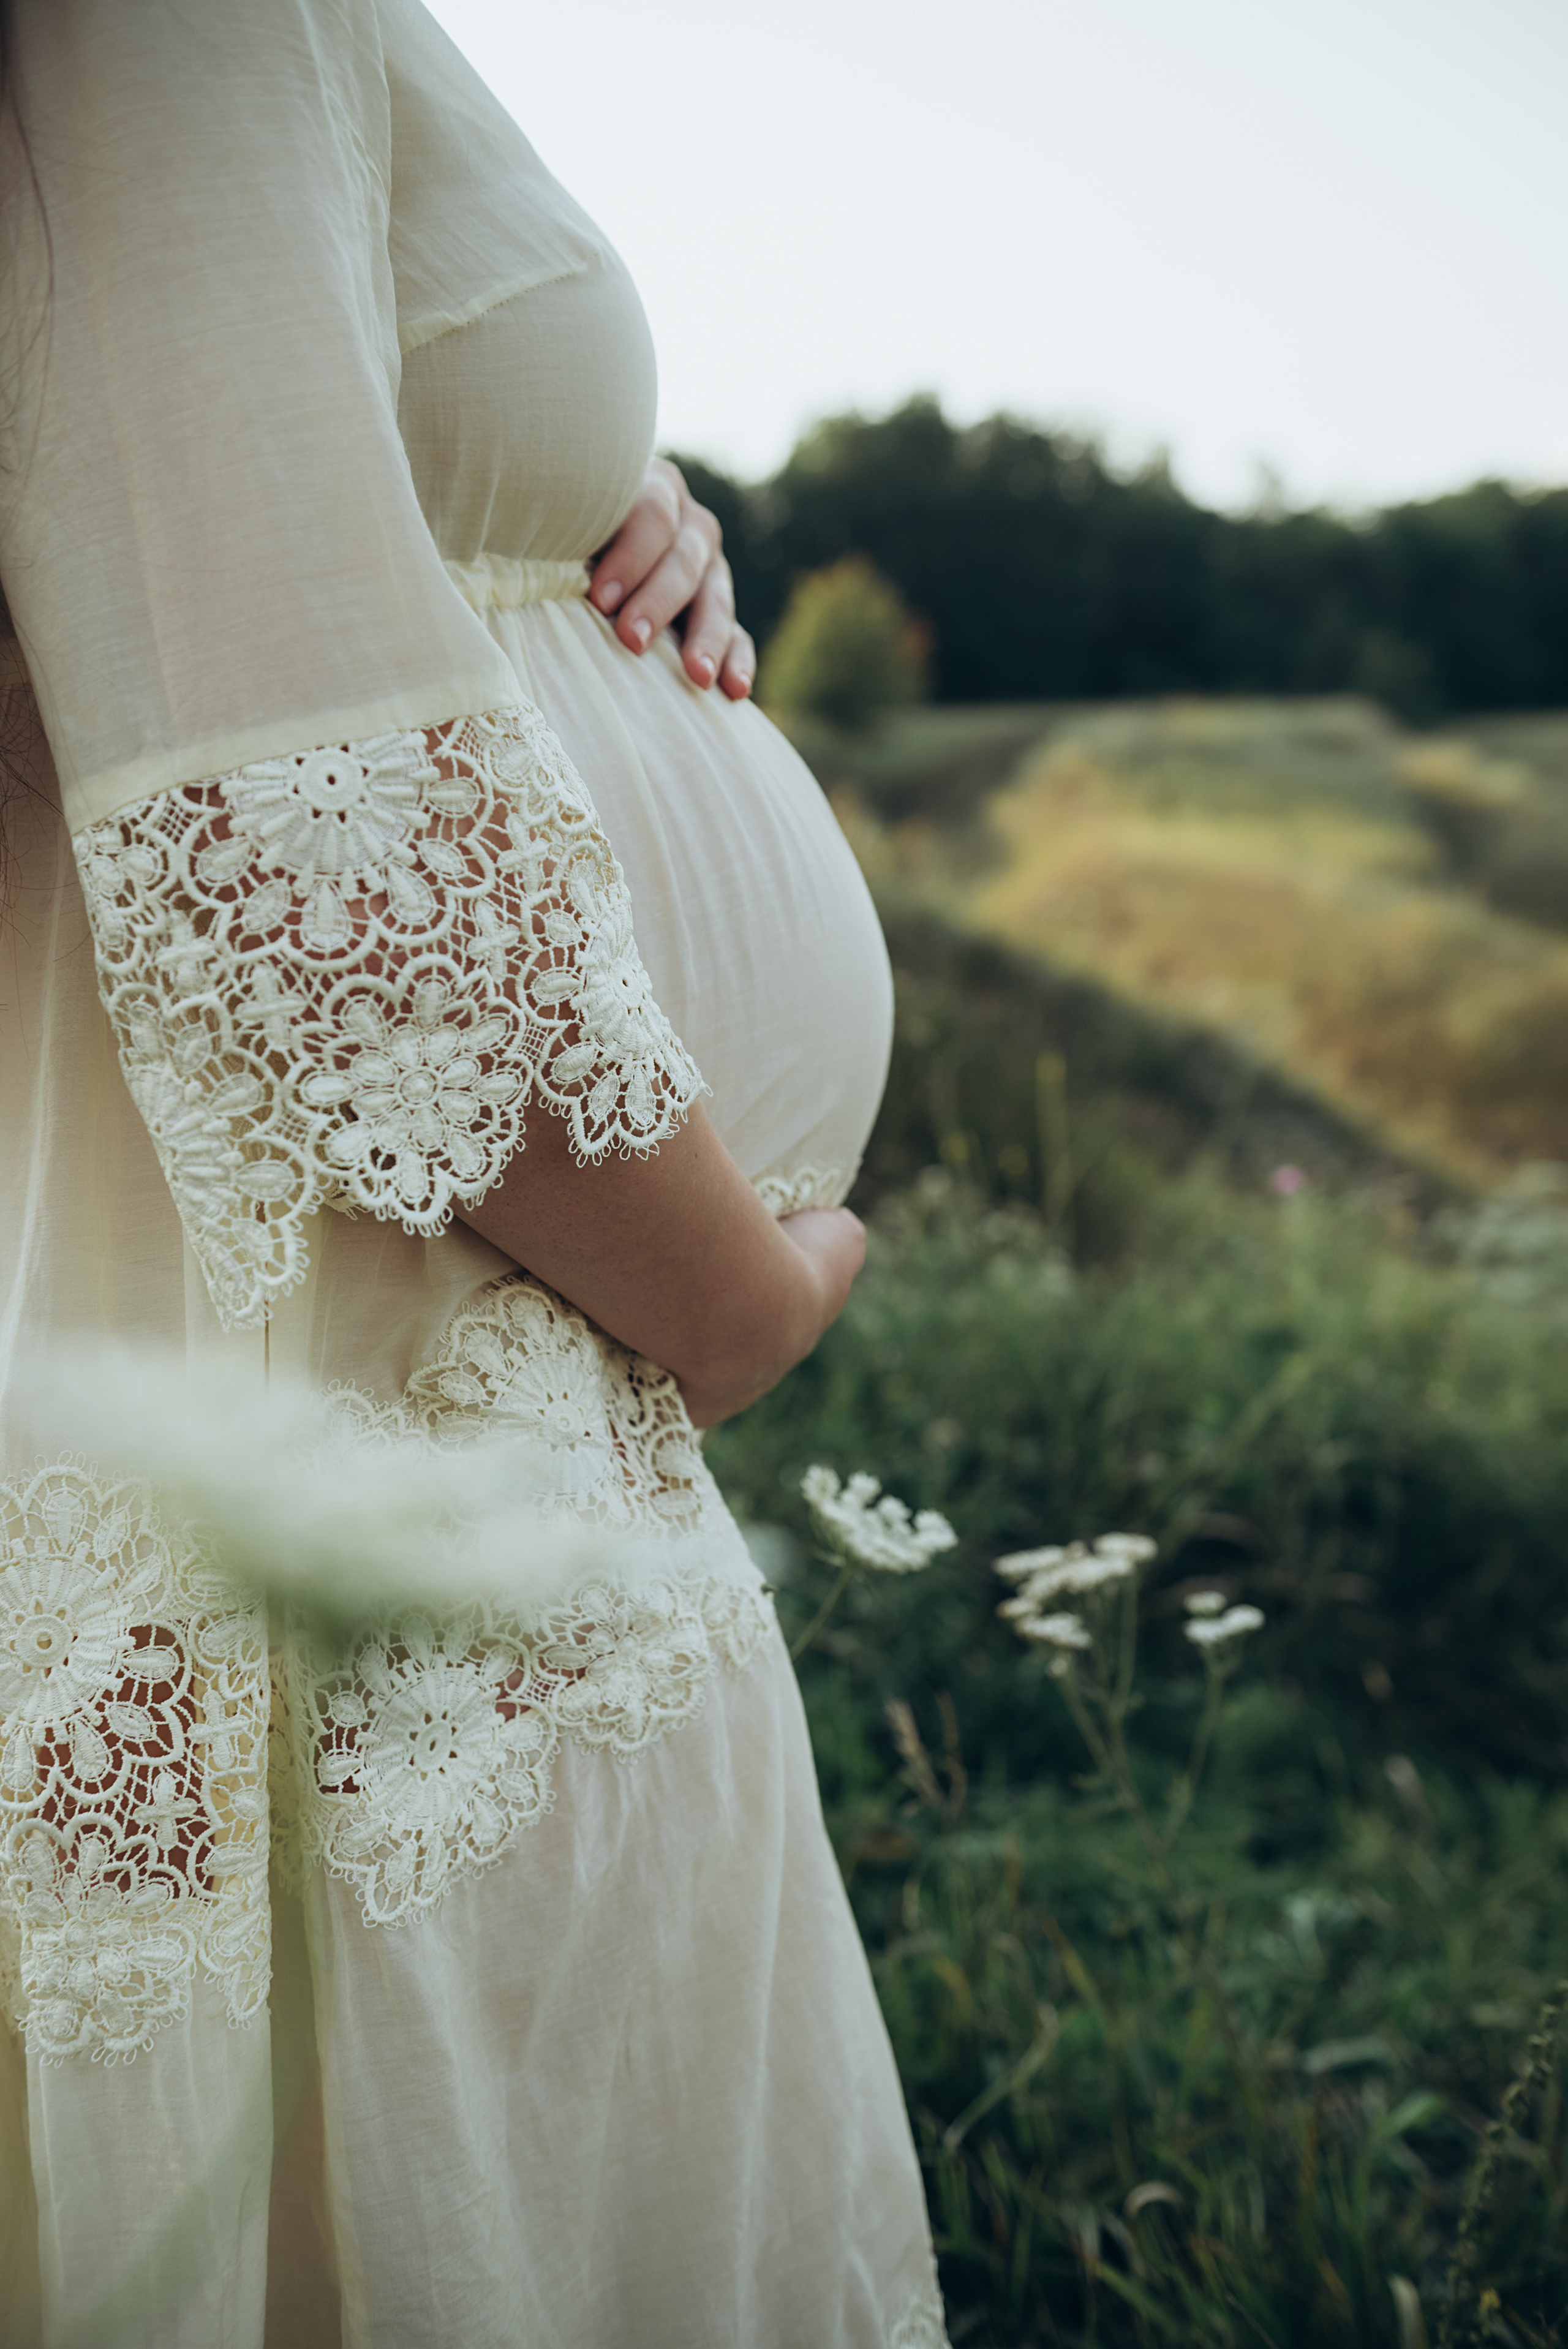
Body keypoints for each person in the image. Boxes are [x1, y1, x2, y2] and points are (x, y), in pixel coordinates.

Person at [0, 3, 950, 2344]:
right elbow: (297, 837)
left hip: (457, 1395)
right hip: (379, 1395)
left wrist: (574, 493)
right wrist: (735, 1289)